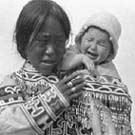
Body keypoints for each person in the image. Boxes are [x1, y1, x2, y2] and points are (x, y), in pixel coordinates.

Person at [0, 0, 87, 134]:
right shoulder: (13, 83)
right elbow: (5, 127)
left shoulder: (74, 80)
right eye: (42, 41)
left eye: (59, 41)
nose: (51, 50)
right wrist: (54, 99)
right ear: (23, 43)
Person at [60, 11, 133, 135]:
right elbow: (62, 64)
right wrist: (81, 58)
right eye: (89, 40)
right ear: (80, 38)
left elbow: (118, 110)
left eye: (101, 44)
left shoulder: (111, 74)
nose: (93, 47)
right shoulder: (72, 53)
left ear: (111, 51)